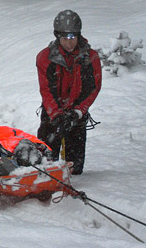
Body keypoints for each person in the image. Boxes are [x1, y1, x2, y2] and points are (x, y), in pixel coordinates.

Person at [36, 10, 102, 175]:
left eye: (72, 38)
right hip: (52, 115)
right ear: (58, 37)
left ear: (78, 36)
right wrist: (56, 115)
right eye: (64, 38)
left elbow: (93, 88)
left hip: (77, 115)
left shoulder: (90, 57)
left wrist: (78, 112)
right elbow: (46, 90)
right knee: (46, 164)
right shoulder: (45, 58)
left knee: (75, 168)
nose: (69, 43)